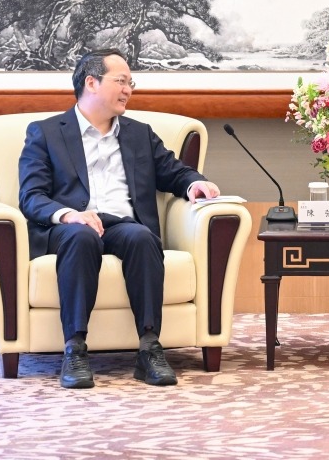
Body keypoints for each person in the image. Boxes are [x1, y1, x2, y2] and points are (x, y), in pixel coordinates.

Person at [18, 49, 220, 389]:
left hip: (123, 224)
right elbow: (31, 195)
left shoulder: (139, 134)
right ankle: (75, 349)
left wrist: (194, 183)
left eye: (131, 83)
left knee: (142, 237)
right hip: (71, 227)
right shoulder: (46, 132)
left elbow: (173, 172)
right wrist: (69, 215)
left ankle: (149, 348)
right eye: (121, 81)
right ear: (91, 82)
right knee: (82, 236)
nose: (129, 89)